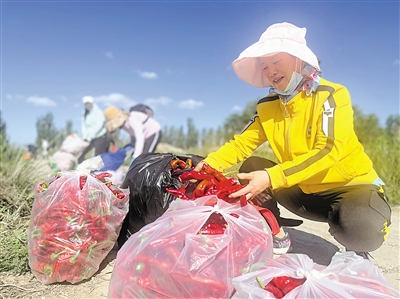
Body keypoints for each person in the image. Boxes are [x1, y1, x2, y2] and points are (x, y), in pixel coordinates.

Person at [194, 22, 391, 257]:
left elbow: (329, 150)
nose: (270, 71)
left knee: (361, 229)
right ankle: (275, 232)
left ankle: (357, 240)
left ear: (299, 60)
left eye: (276, 61)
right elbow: (241, 144)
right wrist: (207, 166)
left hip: (349, 188)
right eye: (264, 66)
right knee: (252, 167)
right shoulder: (268, 106)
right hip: (301, 192)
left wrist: (272, 177)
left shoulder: (331, 95)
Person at [78, 96, 112, 163]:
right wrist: (85, 137)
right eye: (86, 103)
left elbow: (98, 126)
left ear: (92, 103)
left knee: (98, 158)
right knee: (81, 155)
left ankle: (99, 172)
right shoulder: (84, 113)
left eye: (89, 103)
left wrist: (90, 137)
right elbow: (84, 126)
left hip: (100, 137)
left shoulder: (98, 112)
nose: (87, 105)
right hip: (89, 138)